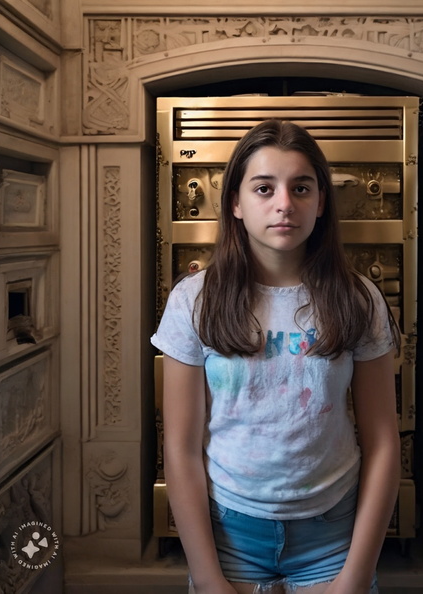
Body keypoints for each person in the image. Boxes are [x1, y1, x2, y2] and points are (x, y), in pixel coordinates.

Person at [151, 119, 401, 594]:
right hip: (229, 535)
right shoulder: (193, 300)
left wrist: (355, 576)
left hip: (333, 533)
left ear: (321, 201)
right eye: (264, 188)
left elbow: (384, 441)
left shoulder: (359, 299)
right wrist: (207, 578)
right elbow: (180, 449)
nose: (284, 203)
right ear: (236, 203)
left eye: (301, 187)